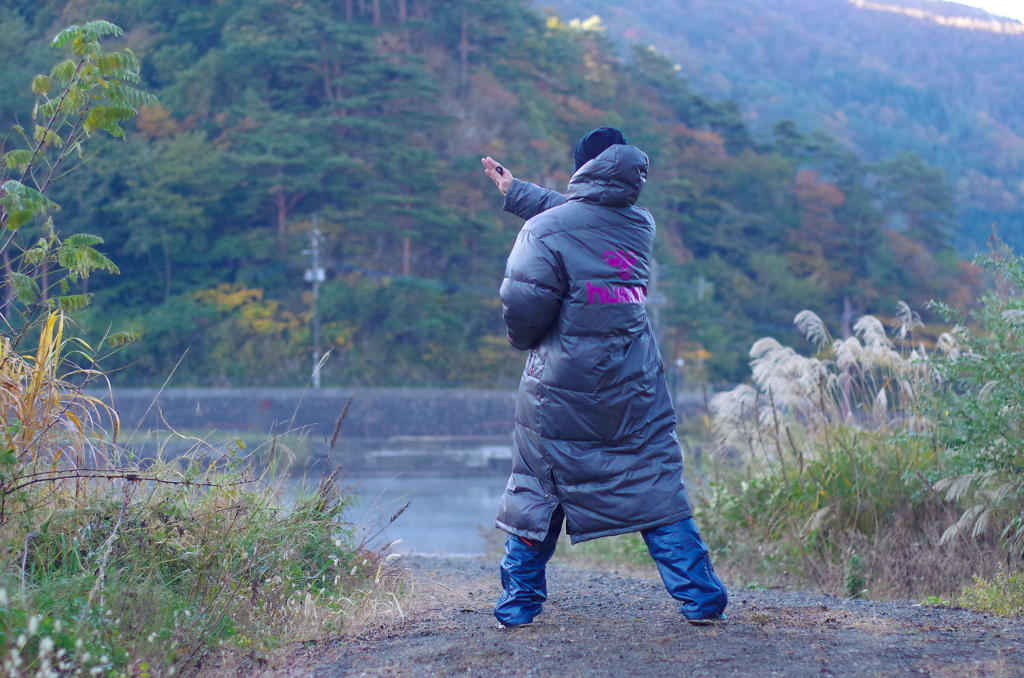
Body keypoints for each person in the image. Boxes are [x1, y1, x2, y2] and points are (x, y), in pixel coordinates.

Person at [481, 127, 728, 628]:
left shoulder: (544, 232)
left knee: (539, 489)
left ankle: (519, 605)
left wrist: (525, 342)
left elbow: (523, 304)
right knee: (656, 488)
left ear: (582, 170)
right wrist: (519, 192)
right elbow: (581, 218)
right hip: (635, 385)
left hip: (560, 390)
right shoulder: (639, 225)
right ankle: (703, 600)